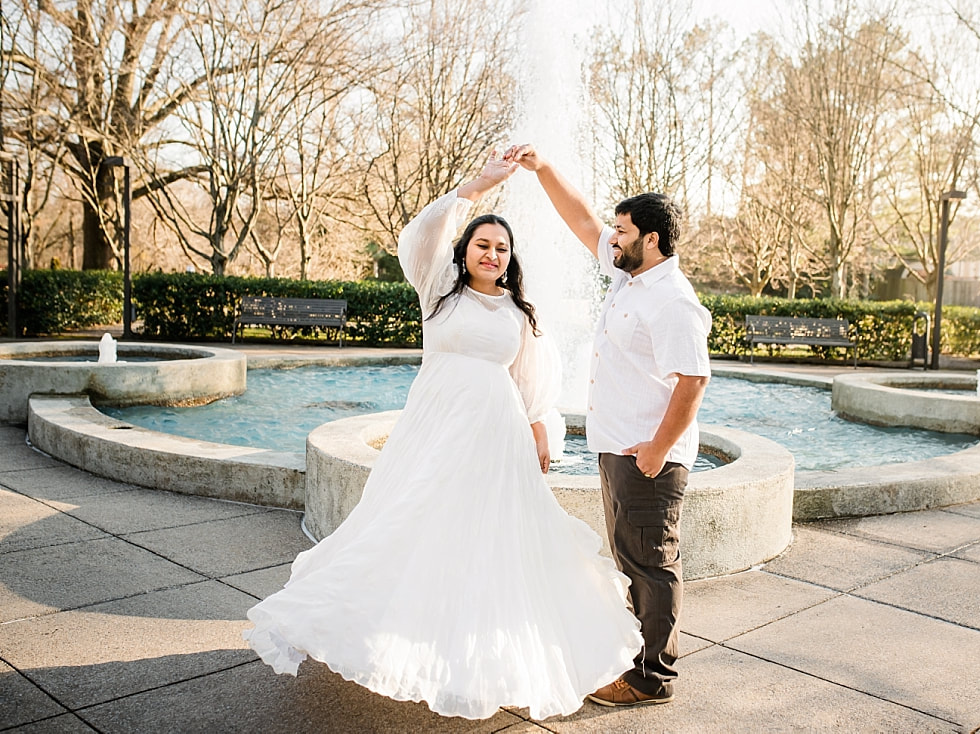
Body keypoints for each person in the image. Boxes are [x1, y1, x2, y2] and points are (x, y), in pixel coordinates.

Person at [243, 151, 642, 721]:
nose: (492, 253)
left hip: (496, 432)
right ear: (464, 251)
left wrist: (538, 430)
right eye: (482, 244)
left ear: (510, 259)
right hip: (436, 424)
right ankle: (392, 627)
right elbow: (423, 233)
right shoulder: (439, 289)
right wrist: (479, 187)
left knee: (491, 533)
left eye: (502, 248)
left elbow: (529, 379)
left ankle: (480, 648)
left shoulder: (519, 313)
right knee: (414, 516)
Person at [505, 143, 712, 708]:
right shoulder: (630, 277)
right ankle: (633, 659)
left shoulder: (672, 300)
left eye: (622, 231)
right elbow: (580, 219)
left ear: (651, 239)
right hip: (618, 448)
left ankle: (651, 680)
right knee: (632, 558)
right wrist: (543, 167)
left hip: (647, 456)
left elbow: (693, 382)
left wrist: (657, 450)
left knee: (651, 563)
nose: (611, 237)